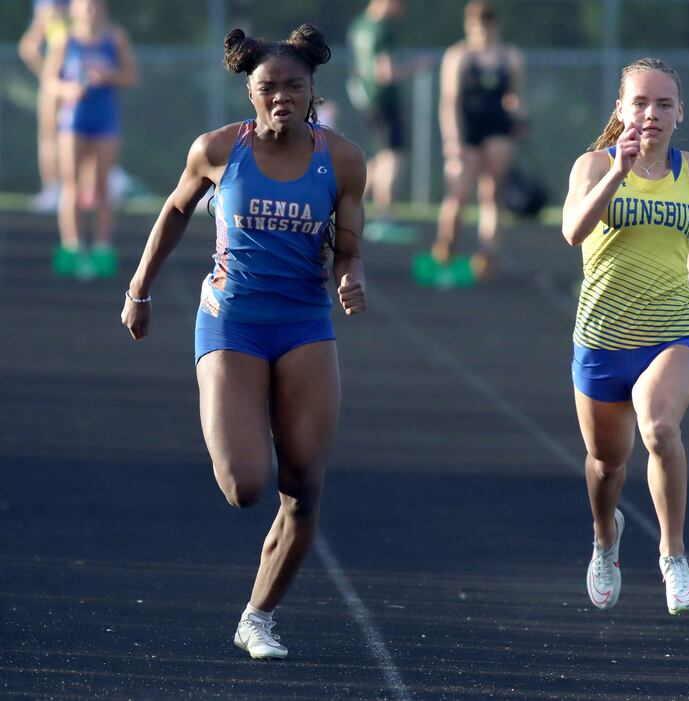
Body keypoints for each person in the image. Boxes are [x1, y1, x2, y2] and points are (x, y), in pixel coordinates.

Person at [121, 25, 367, 660]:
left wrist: (351, 278)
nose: (282, 97)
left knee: (305, 486)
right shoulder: (216, 150)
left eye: (295, 86)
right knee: (245, 484)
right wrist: (140, 288)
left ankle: (258, 616)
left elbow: (349, 244)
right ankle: (234, 408)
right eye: (269, 88)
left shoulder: (340, 158)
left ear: (314, 92)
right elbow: (175, 211)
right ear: (250, 93)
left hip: (306, 320)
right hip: (233, 318)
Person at [561, 58, 689, 615]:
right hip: (603, 338)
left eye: (663, 103)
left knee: (658, 425)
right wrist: (618, 170)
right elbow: (572, 231)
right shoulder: (592, 166)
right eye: (640, 103)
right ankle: (606, 539)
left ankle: (672, 555)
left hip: (674, 331)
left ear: (680, 112)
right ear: (621, 110)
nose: (651, 113)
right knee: (607, 464)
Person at [42, 0, 138, 279]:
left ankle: (101, 247)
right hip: (73, 121)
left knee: (102, 185)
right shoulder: (65, 39)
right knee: (70, 182)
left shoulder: (115, 38)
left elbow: (131, 75)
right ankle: (71, 247)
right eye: (85, 6)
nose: (90, 11)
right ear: (75, 9)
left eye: (95, 5)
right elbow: (49, 81)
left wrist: (109, 75)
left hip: (105, 120)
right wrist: (68, 89)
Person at [430, 1, 525, 282]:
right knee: (458, 193)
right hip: (467, 132)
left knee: (492, 193)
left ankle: (487, 257)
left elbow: (515, 96)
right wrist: (452, 140)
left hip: (498, 130)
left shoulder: (511, 57)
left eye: (484, 28)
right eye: (474, 28)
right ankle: (446, 247)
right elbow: (449, 102)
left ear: (494, 26)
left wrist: (519, 113)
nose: (479, 34)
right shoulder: (458, 56)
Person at [346, 0, 419, 236]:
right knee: (394, 156)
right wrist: (415, 67)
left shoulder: (359, 26)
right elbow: (385, 73)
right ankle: (385, 215)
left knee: (382, 156)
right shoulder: (381, 29)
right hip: (383, 100)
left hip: (366, 99)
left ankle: (348, 201)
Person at [18, 0, 70, 212]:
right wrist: (49, 75)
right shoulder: (50, 7)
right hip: (59, 86)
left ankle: (79, 189)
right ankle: (52, 189)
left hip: (80, 85)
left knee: (82, 140)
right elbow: (29, 47)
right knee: (50, 138)